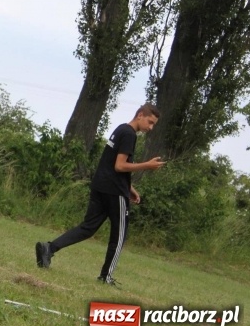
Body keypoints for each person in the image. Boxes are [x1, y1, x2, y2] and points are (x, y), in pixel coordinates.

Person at [35, 103, 166, 285]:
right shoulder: (129, 134)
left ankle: (49, 248)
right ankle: (106, 277)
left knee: (88, 227)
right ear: (140, 115)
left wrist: (130, 188)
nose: (150, 128)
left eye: (153, 125)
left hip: (101, 186)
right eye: (150, 122)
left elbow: (111, 164)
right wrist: (147, 165)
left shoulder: (120, 129)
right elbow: (119, 166)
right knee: (119, 235)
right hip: (114, 192)